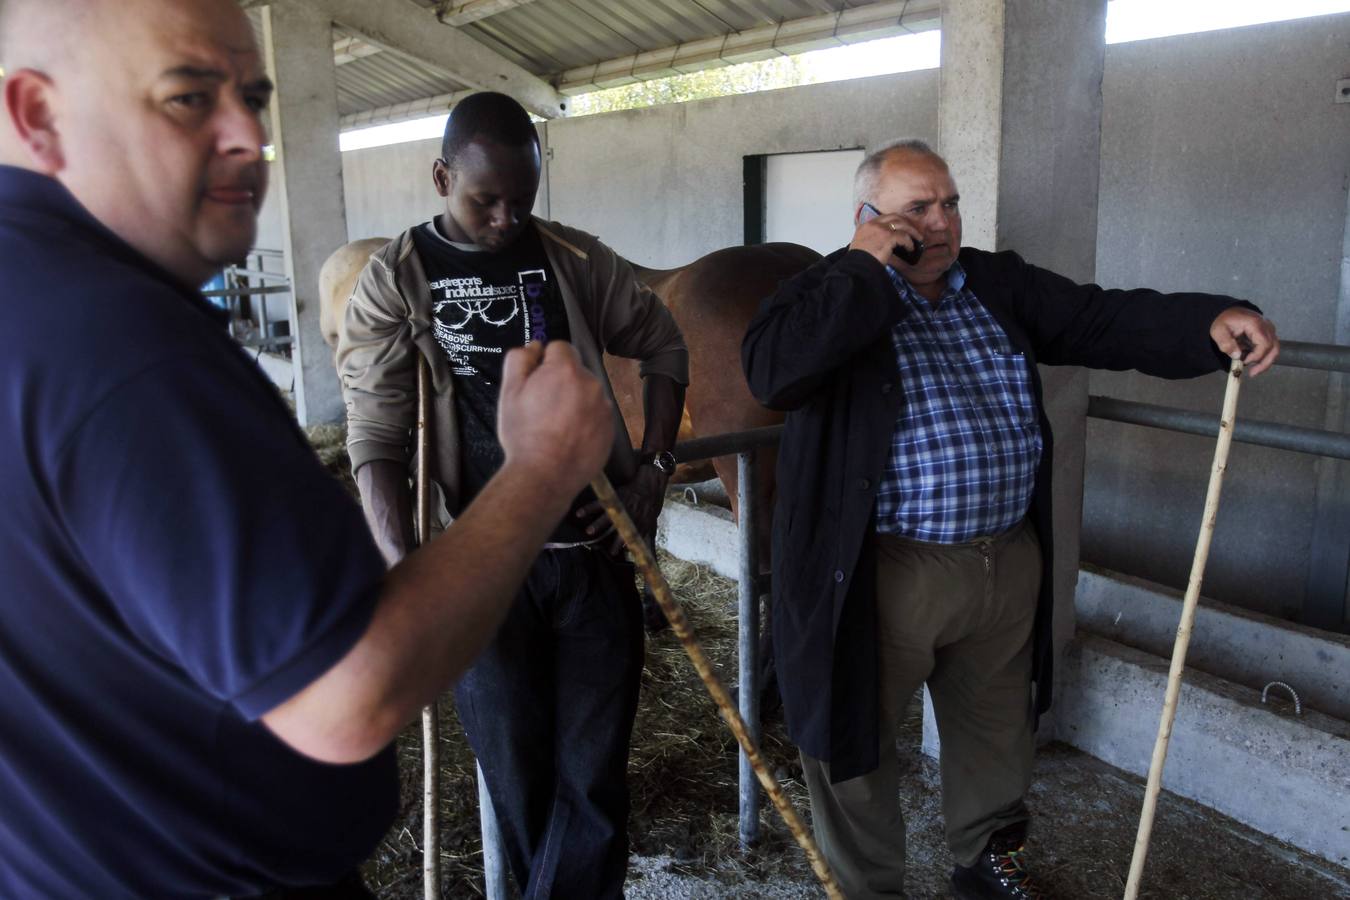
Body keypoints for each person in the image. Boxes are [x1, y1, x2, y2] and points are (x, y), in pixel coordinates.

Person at [0, 1, 616, 896]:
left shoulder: (34, 299)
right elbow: (345, 697)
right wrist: (543, 467)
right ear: (38, 115)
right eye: (186, 98)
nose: (250, 135)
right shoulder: (123, 350)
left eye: (253, 96)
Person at [740, 140, 1278, 900]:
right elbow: (774, 371)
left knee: (996, 731)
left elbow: (1099, 318)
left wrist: (1209, 322)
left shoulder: (995, 283)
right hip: (886, 571)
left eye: (950, 203)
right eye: (917, 209)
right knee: (855, 745)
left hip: (1005, 559)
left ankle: (987, 864)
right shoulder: (826, 291)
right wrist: (862, 268)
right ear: (868, 219)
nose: (941, 221)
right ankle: (866, 886)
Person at [336, 91, 688, 898]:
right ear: (440, 176)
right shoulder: (395, 281)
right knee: (519, 786)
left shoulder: (575, 260)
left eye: (520, 200)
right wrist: (412, 572)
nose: (503, 218)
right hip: (482, 569)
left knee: (594, 783)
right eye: (483, 199)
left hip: (592, 555)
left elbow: (664, 343)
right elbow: (376, 440)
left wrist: (652, 477)